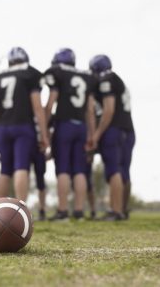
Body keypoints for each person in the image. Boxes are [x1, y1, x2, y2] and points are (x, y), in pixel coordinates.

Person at [0, 47, 49, 202]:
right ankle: (22, 208)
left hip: (3, 127)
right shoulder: (31, 73)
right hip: (23, 126)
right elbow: (37, 108)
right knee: (21, 167)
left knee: (5, 170)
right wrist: (44, 134)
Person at [44, 48, 98, 220]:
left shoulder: (57, 72)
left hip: (64, 125)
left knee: (63, 169)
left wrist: (43, 127)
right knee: (80, 170)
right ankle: (79, 211)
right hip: (81, 126)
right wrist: (92, 134)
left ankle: (62, 211)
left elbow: (51, 101)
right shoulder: (88, 76)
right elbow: (90, 109)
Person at [88, 54, 135, 221]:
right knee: (124, 171)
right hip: (128, 129)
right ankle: (122, 209)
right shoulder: (118, 80)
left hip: (113, 129)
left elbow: (109, 109)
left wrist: (97, 133)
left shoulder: (106, 80)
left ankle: (115, 211)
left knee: (113, 170)